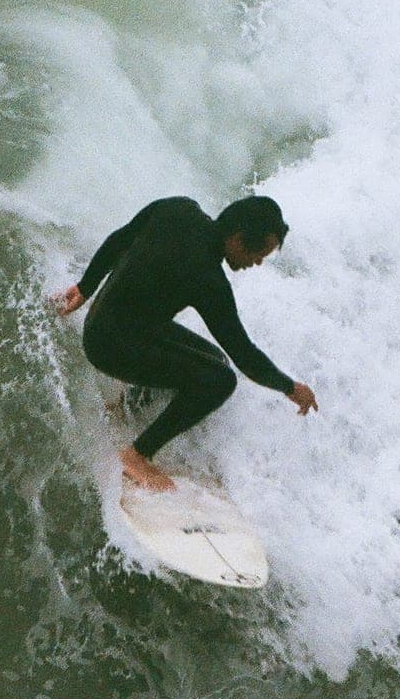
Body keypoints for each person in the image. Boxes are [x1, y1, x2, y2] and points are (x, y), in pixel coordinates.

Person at [51, 195, 318, 491]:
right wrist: (290, 388)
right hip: (111, 346)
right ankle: (137, 455)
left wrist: (85, 288)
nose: (256, 263)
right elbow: (245, 353)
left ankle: (127, 407)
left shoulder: (178, 209)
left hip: (103, 322)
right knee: (220, 380)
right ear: (238, 239)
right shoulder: (208, 279)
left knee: (214, 360)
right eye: (257, 254)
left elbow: (120, 239)